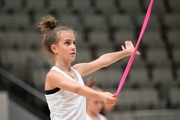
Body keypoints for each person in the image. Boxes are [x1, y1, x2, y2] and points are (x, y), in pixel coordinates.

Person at [37, 15, 140, 120]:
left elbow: (103, 61)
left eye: (74, 43)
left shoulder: (77, 70)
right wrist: (101, 96)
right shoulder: (53, 75)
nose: (73, 47)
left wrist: (126, 53)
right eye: (67, 43)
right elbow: (78, 88)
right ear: (54, 48)